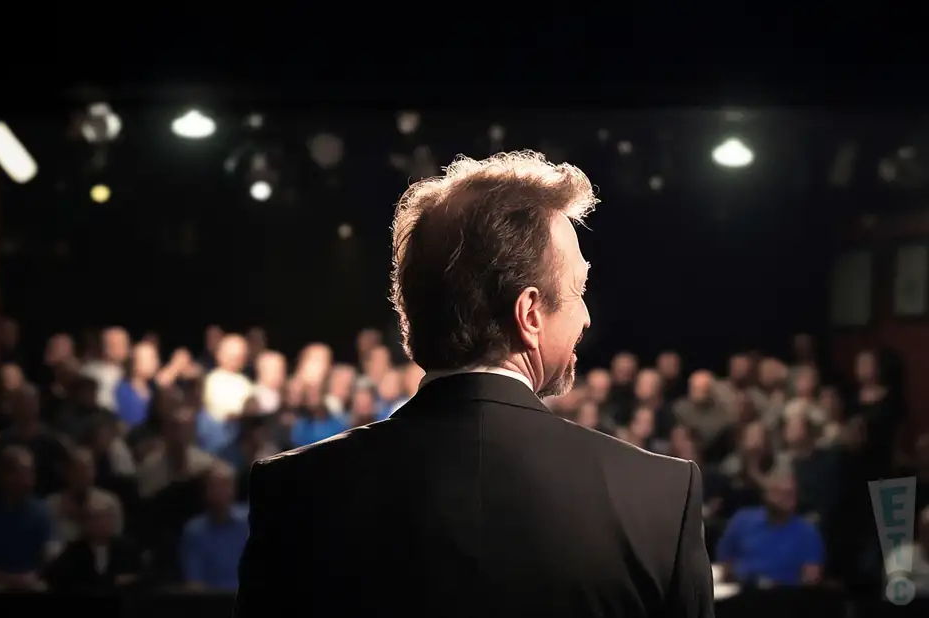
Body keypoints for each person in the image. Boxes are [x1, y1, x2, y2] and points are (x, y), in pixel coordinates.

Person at [235, 151, 713, 618]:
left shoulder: (294, 493)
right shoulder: (658, 498)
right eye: (578, 290)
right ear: (529, 315)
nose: (586, 317)